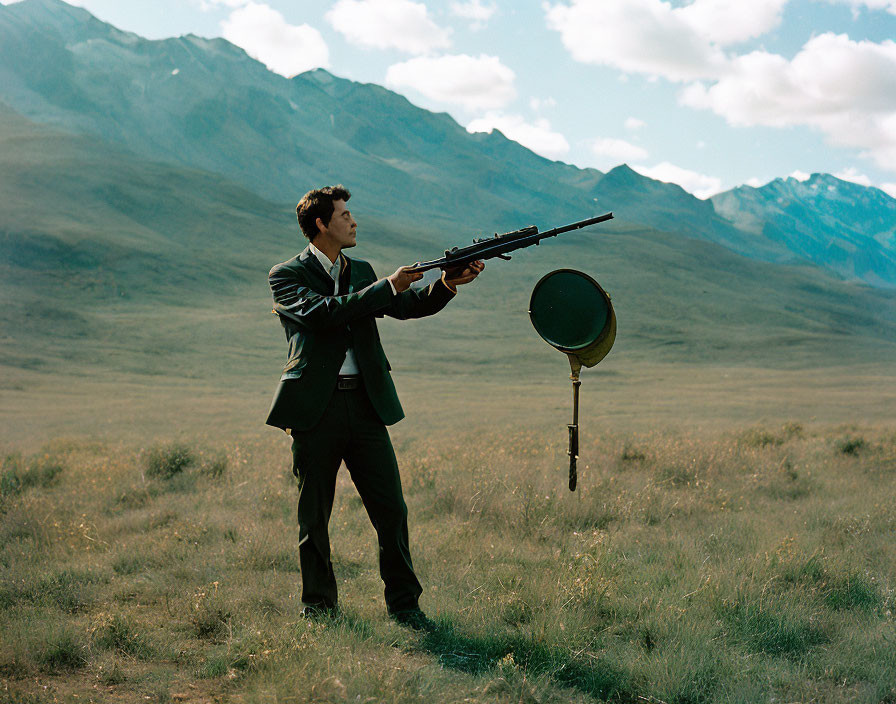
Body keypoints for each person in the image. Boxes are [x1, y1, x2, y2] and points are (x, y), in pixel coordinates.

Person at [265, 185, 483, 630]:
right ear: (321, 223)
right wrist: (386, 286)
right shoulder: (285, 275)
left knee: (392, 511)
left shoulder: (361, 269)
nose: (353, 221)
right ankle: (319, 611)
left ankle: (405, 607)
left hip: (366, 406)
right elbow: (323, 313)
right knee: (314, 518)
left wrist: (446, 284)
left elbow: (406, 306)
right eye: (344, 214)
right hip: (315, 410)